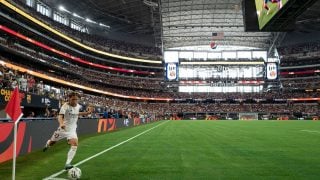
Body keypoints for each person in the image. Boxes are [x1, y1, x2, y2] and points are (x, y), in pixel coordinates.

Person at [43, 91, 93, 170]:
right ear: (69, 99)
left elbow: (76, 113)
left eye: (76, 99)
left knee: (75, 144)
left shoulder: (78, 106)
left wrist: (87, 113)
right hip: (63, 129)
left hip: (72, 129)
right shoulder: (65, 106)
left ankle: (67, 163)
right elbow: (60, 116)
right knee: (52, 142)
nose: (75, 101)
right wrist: (61, 124)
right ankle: (48, 143)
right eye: (73, 99)